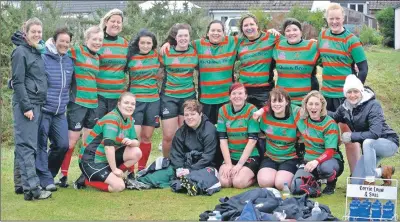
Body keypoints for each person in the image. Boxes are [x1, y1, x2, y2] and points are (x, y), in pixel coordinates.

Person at [318, 3, 368, 174]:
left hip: (343, 97)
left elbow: (363, 68)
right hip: (325, 96)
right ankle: (329, 174)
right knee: (329, 136)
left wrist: (353, 94)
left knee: (348, 138)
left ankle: (356, 178)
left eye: (337, 18)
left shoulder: (351, 40)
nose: (334, 22)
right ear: (326, 19)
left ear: (343, 18)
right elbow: (320, 59)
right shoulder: (322, 35)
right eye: (331, 19)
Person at [330, 75, 398, 185]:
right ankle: (384, 171)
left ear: (361, 91)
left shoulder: (373, 105)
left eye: (355, 91)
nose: (352, 95)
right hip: (369, 149)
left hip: (388, 142)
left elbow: (375, 133)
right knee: (355, 182)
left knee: (368, 142)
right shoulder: (344, 108)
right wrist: (319, 112)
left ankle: (370, 180)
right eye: (349, 92)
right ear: (345, 93)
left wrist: (351, 136)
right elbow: (333, 117)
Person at [10, 17, 52, 200]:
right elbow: (18, 82)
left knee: (23, 145)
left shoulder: (36, 51)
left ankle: (20, 184)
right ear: (25, 32)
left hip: (36, 103)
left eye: (39, 32)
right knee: (27, 146)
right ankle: (32, 189)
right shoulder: (20, 52)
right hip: (26, 104)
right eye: (33, 31)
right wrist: (27, 107)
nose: (37, 34)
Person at [57, 26, 104, 187]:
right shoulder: (76, 51)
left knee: (88, 143)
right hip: (77, 104)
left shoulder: (98, 57)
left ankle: (84, 176)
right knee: (71, 143)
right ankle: (63, 176)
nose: (97, 42)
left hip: (93, 104)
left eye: (100, 40)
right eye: (94, 39)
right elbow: (58, 49)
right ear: (86, 40)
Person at [73, 92, 142, 192]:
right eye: (126, 103)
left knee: (136, 152)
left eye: (132, 104)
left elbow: (137, 142)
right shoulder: (112, 118)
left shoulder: (129, 119)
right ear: (119, 104)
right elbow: (108, 147)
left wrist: (131, 142)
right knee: (119, 187)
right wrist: (114, 169)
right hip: (91, 160)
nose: (129, 106)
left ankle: (114, 175)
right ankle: (85, 180)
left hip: (106, 159)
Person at [36, 27, 74, 191]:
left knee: (62, 144)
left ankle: (48, 175)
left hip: (60, 112)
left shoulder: (69, 60)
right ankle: (43, 179)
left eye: (67, 42)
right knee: (41, 145)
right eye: (61, 41)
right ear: (54, 41)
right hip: (44, 109)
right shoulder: (44, 57)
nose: (64, 44)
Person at [159, 23, 198, 158]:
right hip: (169, 97)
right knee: (169, 135)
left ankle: (184, 163)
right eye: (180, 35)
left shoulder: (195, 51)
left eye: (186, 35)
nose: (183, 38)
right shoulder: (166, 51)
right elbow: (155, 68)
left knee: (186, 133)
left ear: (189, 37)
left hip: (188, 97)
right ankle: (167, 162)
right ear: (175, 37)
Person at [252, 88, 301, 190]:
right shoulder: (265, 116)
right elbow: (260, 134)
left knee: (281, 184)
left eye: (280, 101)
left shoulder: (295, 113)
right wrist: (263, 110)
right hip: (270, 156)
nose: (277, 104)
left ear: (287, 102)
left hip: (290, 157)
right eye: (274, 101)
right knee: (264, 183)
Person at [296, 90, 344, 195]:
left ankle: (331, 183)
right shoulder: (301, 119)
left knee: (325, 169)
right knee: (296, 187)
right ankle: (315, 181)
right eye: (310, 104)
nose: (313, 107)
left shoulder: (330, 123)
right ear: (305, 105)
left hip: (330, 160)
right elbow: (283, 104)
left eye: (317, 104)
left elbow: (330, 151)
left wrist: (316, 161)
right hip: (309, 160)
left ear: (322, 106)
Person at [127, 29, 161, 171]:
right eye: (143, 43)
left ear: (153, 45)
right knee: (134, 138)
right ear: (138, 43)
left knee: (147, 137)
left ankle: (141, 170)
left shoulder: (157, 56)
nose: (145, 46)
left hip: (153, 100)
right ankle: (130, 170)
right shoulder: (130, 56)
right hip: (135, 102)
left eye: (149, 43)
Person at [217, 83, 260, 189]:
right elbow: (223, 140)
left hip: (249, 156)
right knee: (224, 182)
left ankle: (254, 178)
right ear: (229, 96)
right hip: (231, 156)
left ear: (245, 96)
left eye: (240, 93)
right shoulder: (223, 110)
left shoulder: (252, 110)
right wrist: (228, 164)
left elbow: (252, 141)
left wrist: (239, 165)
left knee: (238, 183)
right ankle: (234, 170)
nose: (237, 96)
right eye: (234, 93)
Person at [272, 18, 319, 106]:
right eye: (288, 30)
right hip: (282, 100)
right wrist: (270, 31)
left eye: (295, 29)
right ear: (284, 33)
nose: (291, 33)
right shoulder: (278, 45)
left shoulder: (312, 46)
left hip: (304, 101)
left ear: (301, 32)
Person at [236, 14, 280, 109]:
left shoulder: (271, 37)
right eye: (245, 25)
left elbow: (291, 41)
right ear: (242, 29)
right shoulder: (239, 42)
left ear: (257, 25)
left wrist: (310, 42)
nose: (249, 28)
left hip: (264, 90)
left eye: (251, 24)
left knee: (264, 119)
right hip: (244, 89)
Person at [169, 99, 218, 175]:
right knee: (164, 172)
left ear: (200, 114)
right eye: (186, 115)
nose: (189, 117)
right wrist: (180, 169)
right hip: (186, 165)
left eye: (192, 114)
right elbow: (176, 154)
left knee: (197, 177)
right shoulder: (181, 132)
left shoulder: (209, 130)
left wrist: (190, 170)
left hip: (207, 166)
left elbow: (208, 157)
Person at [97, 9, 129, 118]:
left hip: (118, 96)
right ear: (106, 22)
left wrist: (168, 42)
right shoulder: (98, 41)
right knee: (97, 131)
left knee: (114, 129)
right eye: (113, 21)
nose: (116, 24)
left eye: (118, 22)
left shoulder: (125, 43)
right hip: (98, 95)